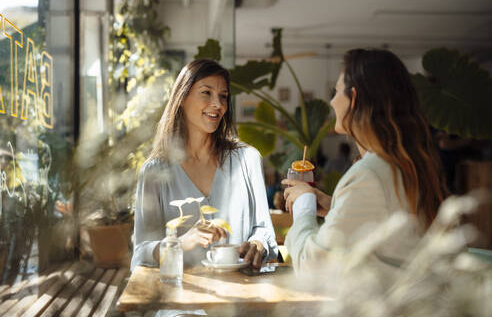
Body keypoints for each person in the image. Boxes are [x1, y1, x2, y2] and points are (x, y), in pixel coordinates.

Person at [282, 49, 449, 278]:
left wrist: (304, 208)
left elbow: (315, 267)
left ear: (355, 98)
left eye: (336, 91)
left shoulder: (369, 175)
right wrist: (335, 206)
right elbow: (390, 225)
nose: (331, 101)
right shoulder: (410, 162)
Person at [131, 59, 278, 273]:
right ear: (182, 98)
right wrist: (180, 243)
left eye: (223, 96)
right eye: (206, 93)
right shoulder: (154, 172)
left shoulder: (248, 160)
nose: (217, 104)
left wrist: (258, 245)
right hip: (179, 300)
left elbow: (264, 231)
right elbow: (141, 253)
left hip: (242, 297)